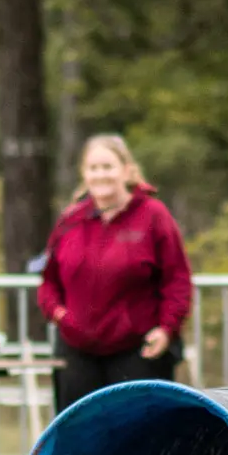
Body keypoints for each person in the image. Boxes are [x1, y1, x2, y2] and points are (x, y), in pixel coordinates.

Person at [36, 134, 194, 412]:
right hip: (77, 350)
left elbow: (177, 279)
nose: (101, 175)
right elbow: (49, 281)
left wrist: (167, 328)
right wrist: (59, 314)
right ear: (84, 174)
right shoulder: (71, 219)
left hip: (138, 350)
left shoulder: (153, 215)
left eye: (108, 167)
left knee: (140, 434)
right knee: (79, 434)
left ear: (126, 170)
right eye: (93, 168)